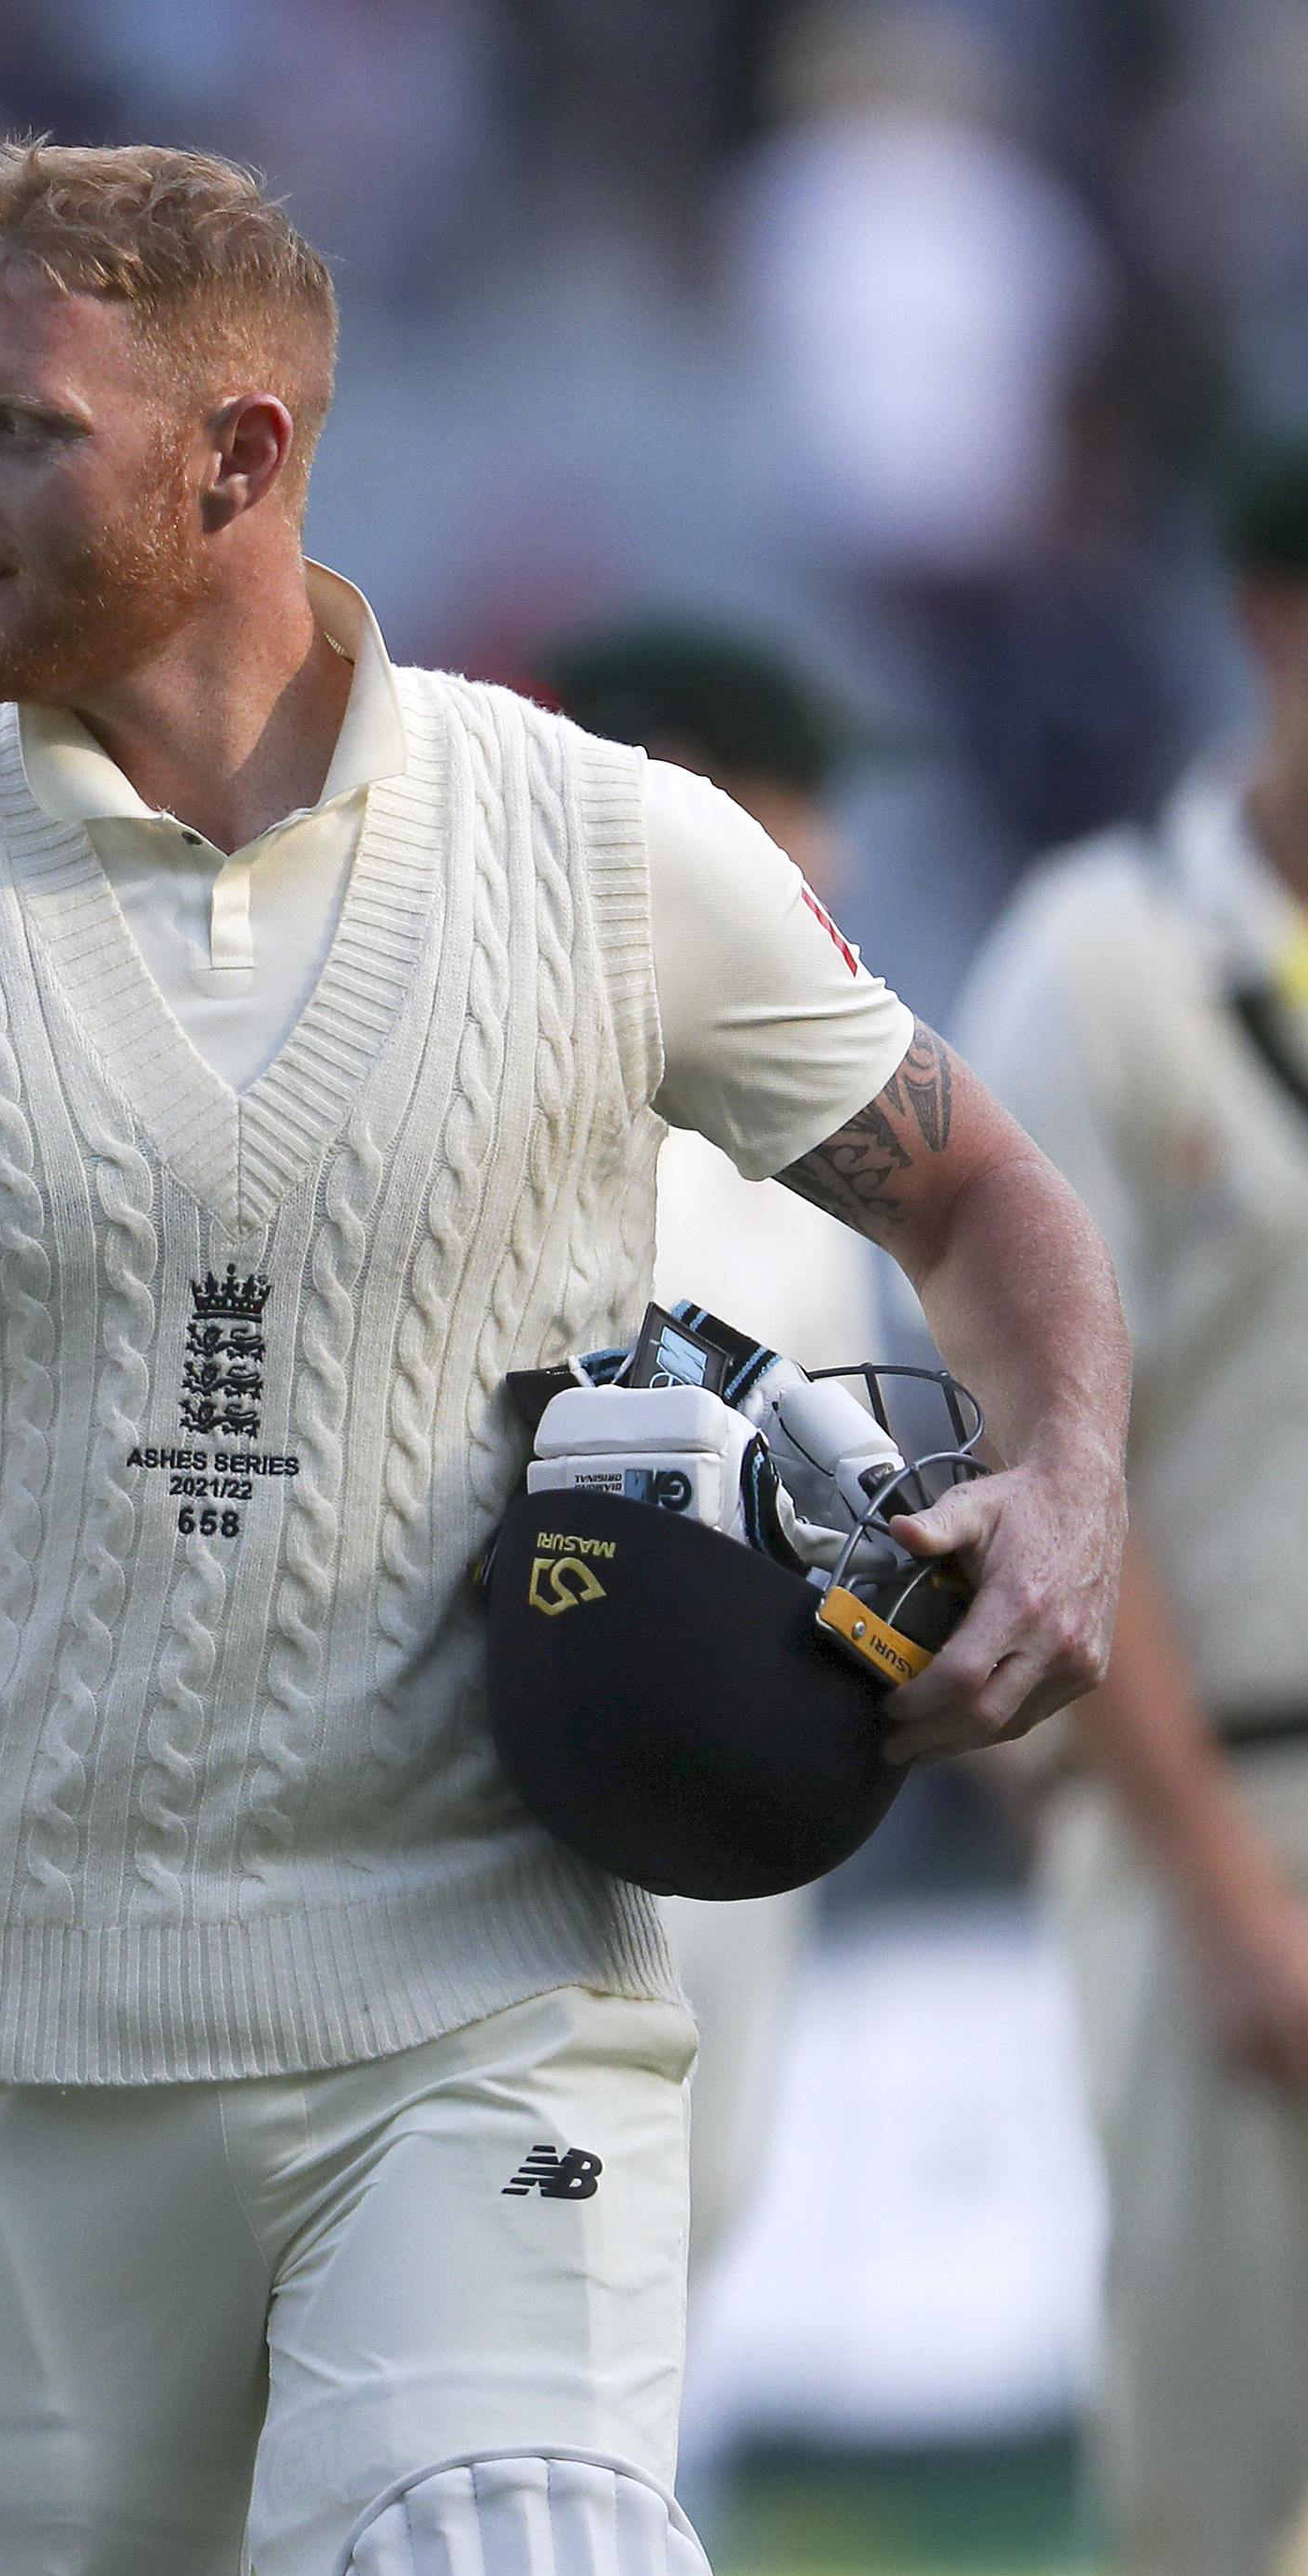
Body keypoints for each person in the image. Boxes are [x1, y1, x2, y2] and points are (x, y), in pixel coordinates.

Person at [0, 141, 1126, 2576]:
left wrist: (1064, 1475)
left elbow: (982, 1193)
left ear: (235, 456)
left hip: (461, 2005)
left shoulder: (610, 853)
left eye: (9, 428)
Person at [957, 437, 1308, 2576]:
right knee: (1226, 2502)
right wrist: (1222, 1892)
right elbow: (1065, 1457)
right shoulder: (1102, 959)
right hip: (1228, 1789)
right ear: (1279, 619)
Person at [539, 615, 894, 2275]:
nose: (830, 851)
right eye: (794, 803)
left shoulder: (795, 1158)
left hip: (750, 1792)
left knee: (678, 2289)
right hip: (525, 1829)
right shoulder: (510, 1087)